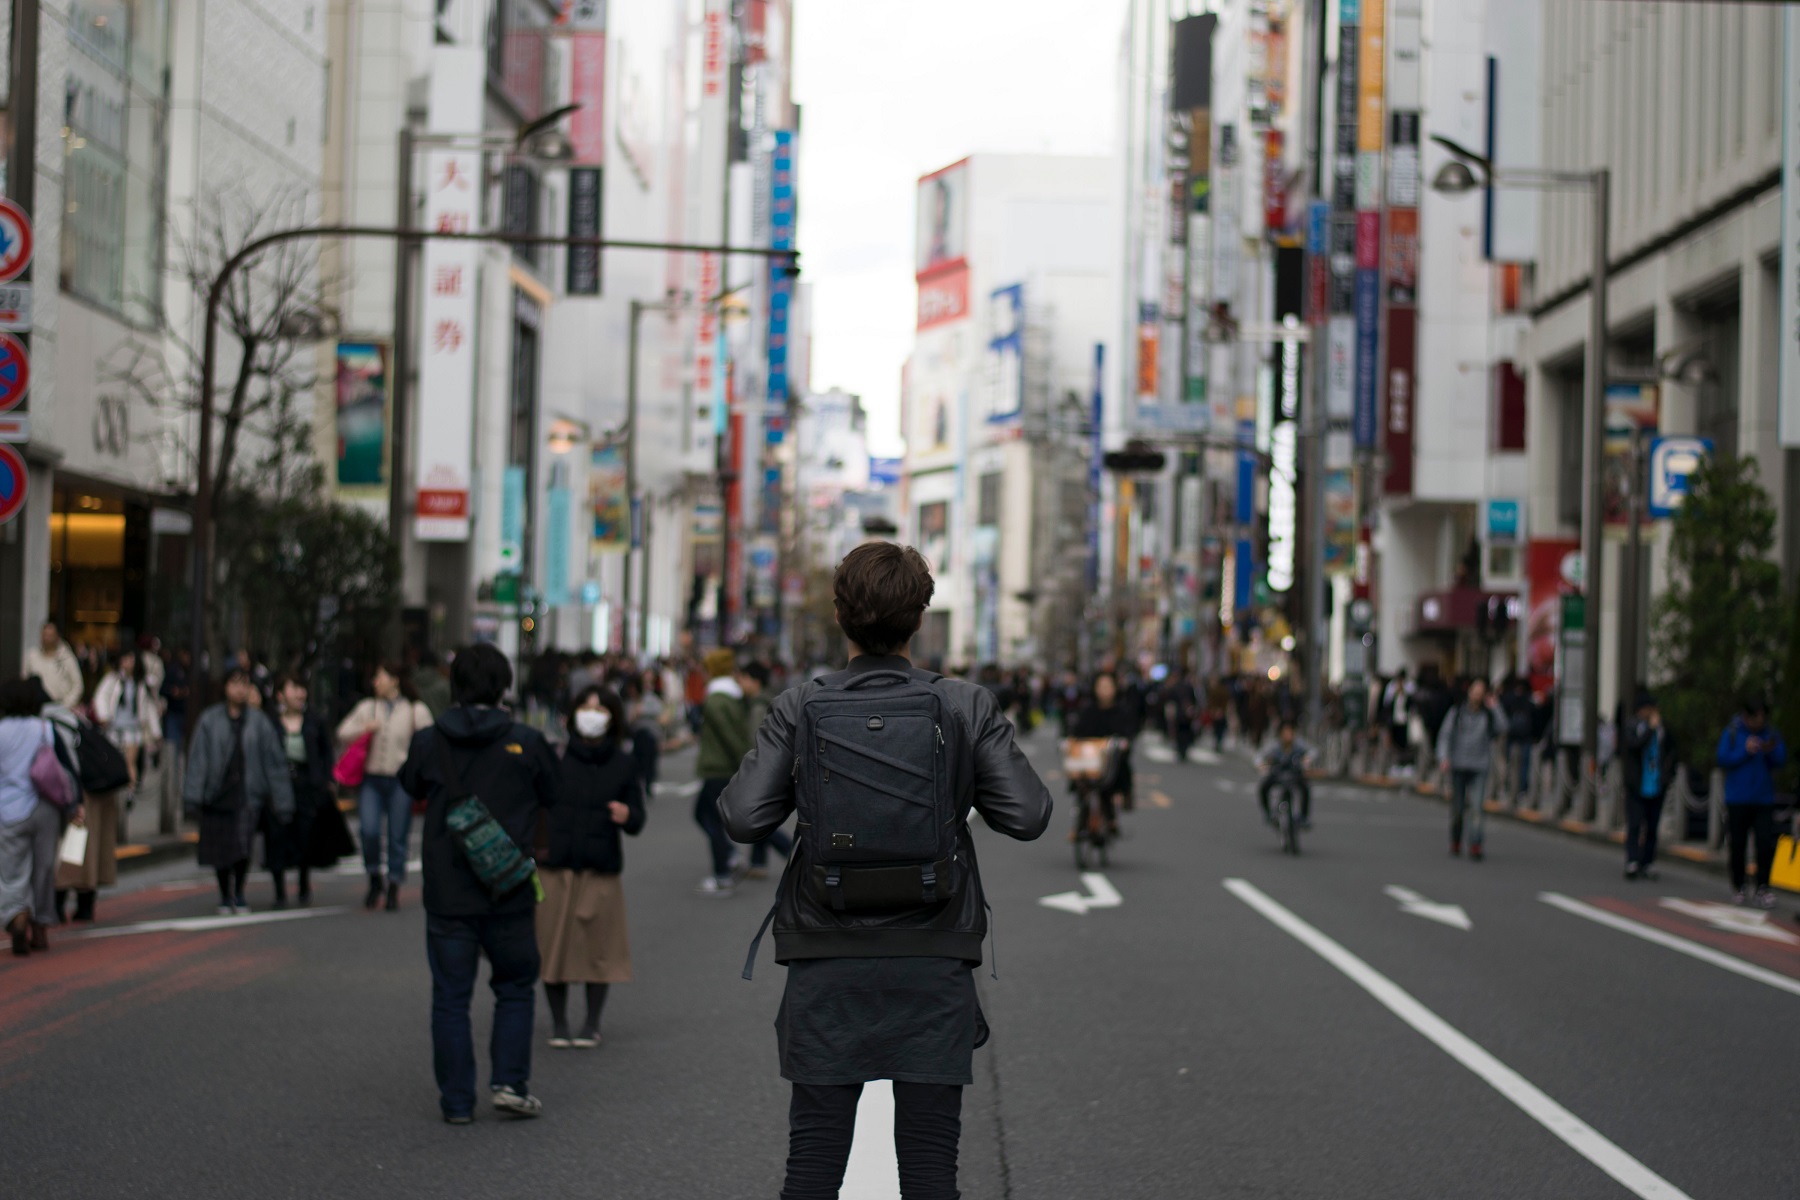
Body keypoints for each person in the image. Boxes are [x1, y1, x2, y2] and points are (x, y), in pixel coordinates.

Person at [719, 542, 1052, 1200]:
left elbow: (743, 817)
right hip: (934, 954)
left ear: (840, 615)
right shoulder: (962, 704)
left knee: (812, 1162)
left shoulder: (800, 705)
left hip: (824, 951)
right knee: (931, 1168)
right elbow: (1028, 813)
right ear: (920, 618)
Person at [396, 643, 559, 1124]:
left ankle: (457, 1102)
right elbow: (555, 791)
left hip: (447, 891)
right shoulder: (526, 742)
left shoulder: (430, 740)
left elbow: (410, 785)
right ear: (504, 686)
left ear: (455, 687)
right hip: (507, 886)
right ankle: (509, 1082)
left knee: (450, 996)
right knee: (514, 985)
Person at [537, 686, 645, 1049]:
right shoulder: (555, 758)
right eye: (585, 706)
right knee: (553, 945)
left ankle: (592, 1023)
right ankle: (558, 1023)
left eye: (600, 708)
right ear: (571, 714)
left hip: (601, 869)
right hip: (555, 866)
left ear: (613, 717)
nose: (592, 713)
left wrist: (628, 814)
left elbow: (637, 817)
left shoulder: (624, 763)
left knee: (598, 949)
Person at [183, 668, 293, 915]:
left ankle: (240, 892)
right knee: (221, 846)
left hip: (248, 792)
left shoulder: (258, 721)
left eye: (244, 685)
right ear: (224, 687)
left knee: (244, 844)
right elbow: (198, 759)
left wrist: (283, 800)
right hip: (219, 793)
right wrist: (193, 796)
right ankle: (225, 894)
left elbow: (274, 762)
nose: (240, 690)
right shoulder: (210, 720)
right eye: (235, 684)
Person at [337, 661, 435, 911]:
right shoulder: (368, 707)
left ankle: (393, 884)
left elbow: (430, 742)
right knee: (368, 831)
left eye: (380, 677)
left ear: (395, 680)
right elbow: (342, 732)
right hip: (371, 779)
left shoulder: (416, 709)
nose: (375, 682)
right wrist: (364, 728)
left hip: (400, 780)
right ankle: (374, 877)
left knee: (397, 835)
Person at [0, 680, 76, 956]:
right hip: (45, 808)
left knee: (11, 871)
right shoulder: (44, 728)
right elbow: (65, 767)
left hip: (7, 810)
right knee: (43, 869)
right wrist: (73, 804)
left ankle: (16, 916)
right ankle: (41, 927)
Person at [42, 676, 119, 926]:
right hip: (99, 785)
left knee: (68, 849)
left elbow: (62, 765)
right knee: (89, 847)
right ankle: (85, 905)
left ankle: (57, 905)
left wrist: (72, 800)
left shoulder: (46, 722)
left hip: (79, 788)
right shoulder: (72, 716)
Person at [268, 674, 348, 908]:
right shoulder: (270, 721)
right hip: (279, 783)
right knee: (277, 836)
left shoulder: (314, 719)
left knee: (306, 834)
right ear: (281, 693)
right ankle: (279, 890)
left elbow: (325, 751)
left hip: (307, 784)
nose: (300, 693)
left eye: (302, 689)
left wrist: (326, 780)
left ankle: (303, 882)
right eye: (294, 688)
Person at [1717, 698, 1789, 908]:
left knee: (1764, 844)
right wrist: (1745, 751)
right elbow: (1722, 758)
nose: (1759, 723)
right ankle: (1739, 885)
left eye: (1762, 719)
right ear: (1746, 717)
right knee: (1737, 844)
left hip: (1764, 799)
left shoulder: (1771, 734)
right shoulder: (1732, 732)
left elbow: (1781, 759)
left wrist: (1769, 750)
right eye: (1755, 719)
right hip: (1737, 798)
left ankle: (1763, 887)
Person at [693, 647, 751, 897]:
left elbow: (730, 737)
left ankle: (723, 871)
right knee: (705, 815)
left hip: (718, 768)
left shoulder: (716, 700)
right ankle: (728, 860)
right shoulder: (731, 697)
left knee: (708, 817)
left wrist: (746, 767)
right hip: (724, 767)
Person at [1436, 676, 1501, 860]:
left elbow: (1503, 727)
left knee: (1477, 807)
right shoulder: (1457, 712)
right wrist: (1444, 758)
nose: (1478, 695)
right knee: (1457, 809)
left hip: (1479, 766)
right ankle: (1456, 839)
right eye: (1476, 691)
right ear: (1469, 691)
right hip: (1458, 764)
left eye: (1482, 692)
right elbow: (1445, 736)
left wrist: (1495, 706)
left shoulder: (1488, 714)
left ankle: (1475, 844)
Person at [740, 661, 793, 878]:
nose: (740, 683)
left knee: (756, 817)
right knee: (760, 815)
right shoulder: (765, 700)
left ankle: (792, 850)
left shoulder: (758, 706)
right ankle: (757, 862)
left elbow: (757, 741)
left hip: (763, 769)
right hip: (771, 768)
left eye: (743, 678)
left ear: (754, 681)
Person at [1069, 672, 1137, 836]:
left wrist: (1124, 742)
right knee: (1081, 782)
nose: (1104, 691)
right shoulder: (1088, 710)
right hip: (1090, 757)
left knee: (1112, 780)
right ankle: (1080, 824)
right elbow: (1077, 731)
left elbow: (1128, 732)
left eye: (1108, 687)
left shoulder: (1121, 710)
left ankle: (1112, 817)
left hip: (1111, 758)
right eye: (1101, 687)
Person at [1619, 690, 1675, 882]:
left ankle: (1648, 861)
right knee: (1635, 824)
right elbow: (1633, 746)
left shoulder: (1663, 728)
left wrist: (1669, 774)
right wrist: (1650, 729)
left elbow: (1671, 750)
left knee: (1652, 825)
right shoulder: (1633, 726)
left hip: (1657, 782)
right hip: (1636, 783)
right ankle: (1632, 860)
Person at [92, 648, 161, 797]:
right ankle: (115, 788)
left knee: (130, 761)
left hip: (133, 727)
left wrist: (156, 732)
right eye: (124, 659)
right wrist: (103, 716)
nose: (127, 663)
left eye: (130, 659)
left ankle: (130, 791)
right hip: (114, 726)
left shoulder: (141, 684)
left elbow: (149, 708)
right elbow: (100, 697)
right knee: (113, 759)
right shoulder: (113, 679)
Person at [1256, 720, 1313, 828]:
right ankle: (1268, 813)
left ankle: (1303, 817)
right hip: (1277, 774)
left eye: (1290, 732)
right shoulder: (1274, 747)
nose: (1288, 736)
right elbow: (1259, 757)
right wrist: (1262, 766)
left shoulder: (1299, 746)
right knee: (1264, 787)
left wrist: (1307, 760)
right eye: (1285, 733)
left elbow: (1312, 752)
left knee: (1305, 788)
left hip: (1294, 774)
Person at [24, 622, 84, 711]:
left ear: (57, 637)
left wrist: (66, 705)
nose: (46, 638)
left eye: (50, 635)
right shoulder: (32, 656)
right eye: (44, 635)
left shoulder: (67, 658)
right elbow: (25, 680)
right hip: (36, 709)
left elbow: (78, 685)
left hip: (60, 708)